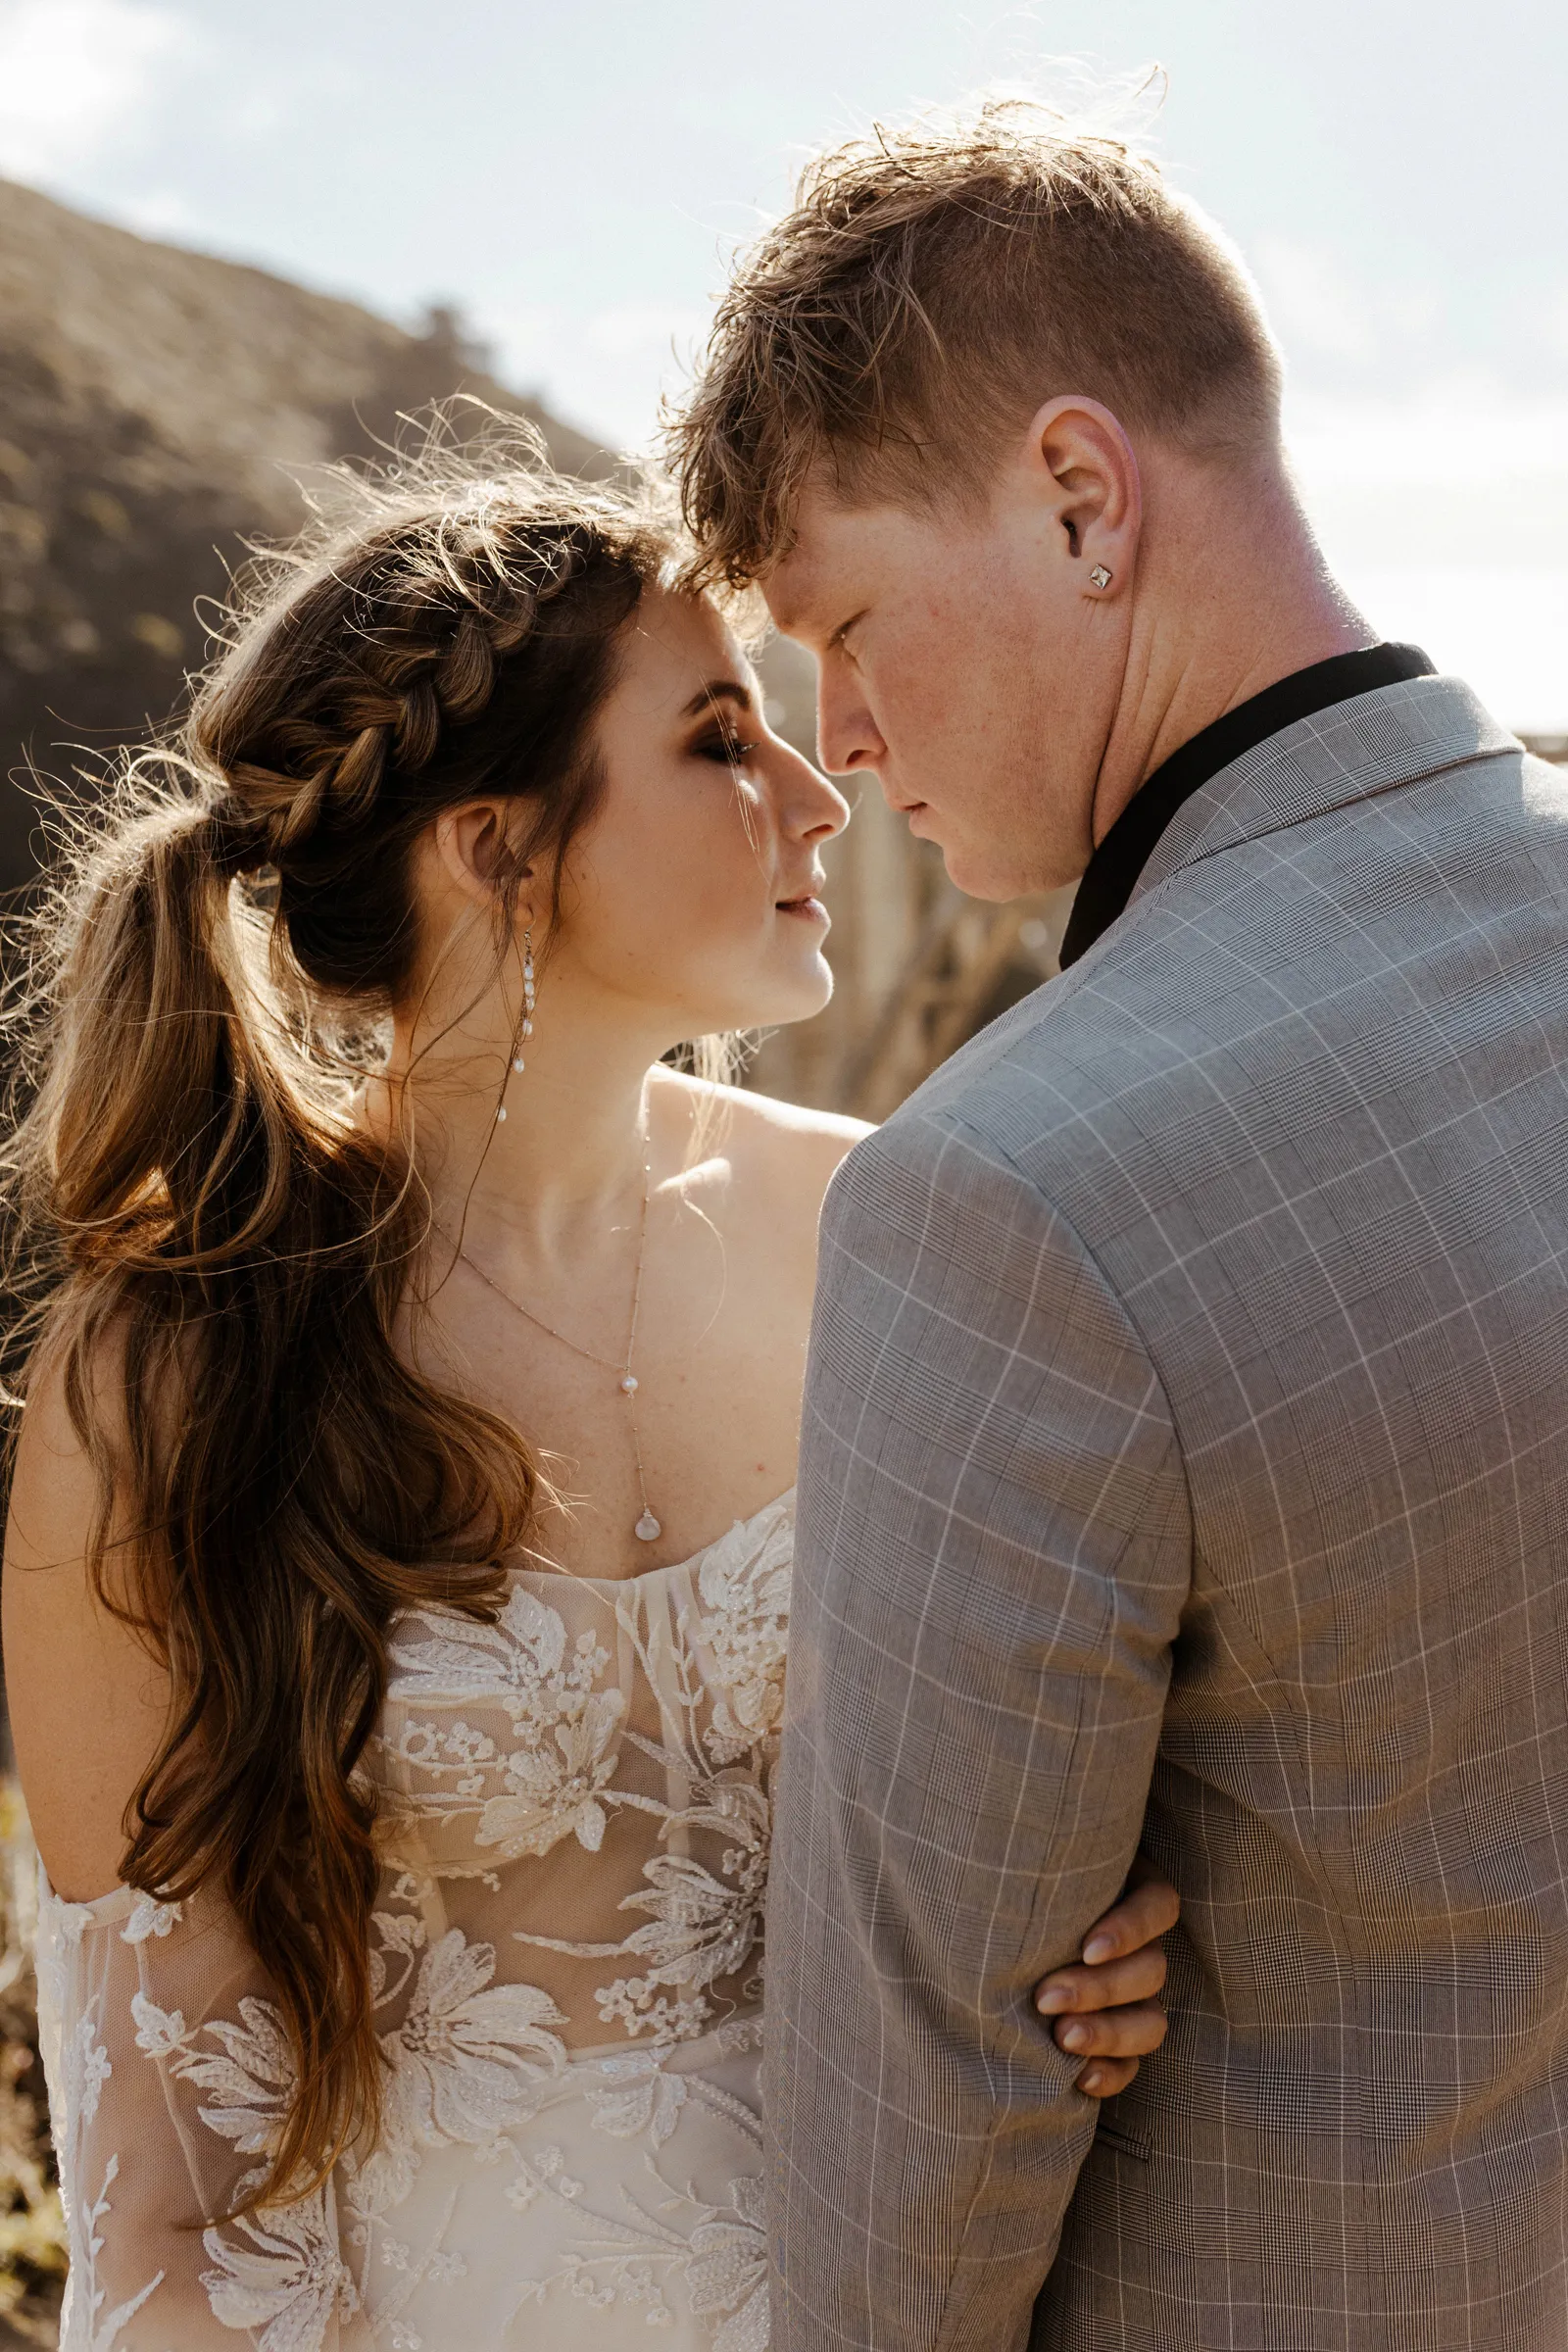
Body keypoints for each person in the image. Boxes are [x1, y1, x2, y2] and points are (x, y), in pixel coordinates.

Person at [1, 441, 1175, 2352]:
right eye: (720, 739)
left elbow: (1028, 1819)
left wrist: (1095, 1964)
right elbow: (166, 2204)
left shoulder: (886, 1231)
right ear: (498, 850)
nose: (819, 799)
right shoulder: (173, 1379)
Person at [670, 98, 1568, 2349]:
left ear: (1079, 500)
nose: (843, 743)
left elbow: (915, 2178)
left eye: (846, 626)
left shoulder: (1003, 1200)